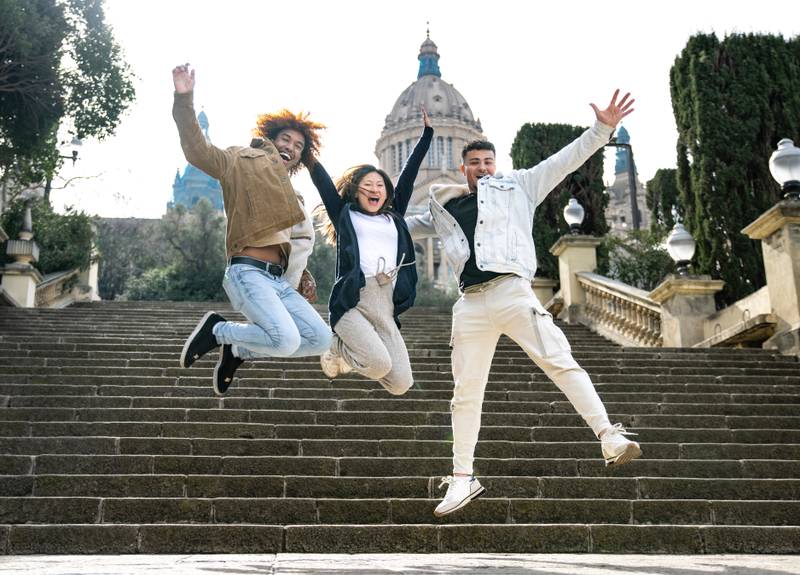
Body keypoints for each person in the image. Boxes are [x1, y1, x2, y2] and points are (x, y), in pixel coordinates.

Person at [406, 90, 642, 517]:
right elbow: (400, 226)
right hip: (470, 303)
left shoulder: (518, 186)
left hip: (512, 291)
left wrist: (602, 129)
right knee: (465, 393)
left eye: (487, 162)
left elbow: (564, 160)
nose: (481, 168)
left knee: (559, 359)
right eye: (474, 163)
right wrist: (353, 217)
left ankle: (608, 435)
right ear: (463, 168)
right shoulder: (445, 204)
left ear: (495, 166)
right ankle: (462, 479)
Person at [172, 64, 331, 395]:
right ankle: (220, 330)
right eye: (285, 139)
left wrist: (300, 275)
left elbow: (300, 242)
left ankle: (237, 350)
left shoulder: (294, 196)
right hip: (248, 271)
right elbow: (198, 151)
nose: (291, 146)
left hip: (279, 282)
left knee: (319, 339)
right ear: (271, 140)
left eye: (299, 145)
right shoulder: (241, 160)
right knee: (285, 339)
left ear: (301, 156)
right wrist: (184, 99)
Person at [310, 107, 433, 395]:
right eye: (368, 185)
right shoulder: (346, 216)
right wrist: (307, 153)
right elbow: (325, 185)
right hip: (354, 299)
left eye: (380, 185)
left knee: (401, 384)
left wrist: (426, 136)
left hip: (385, 303)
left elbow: (408, 176)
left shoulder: (395, 217)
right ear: (355, 191)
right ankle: (334, 345)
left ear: (387, 193)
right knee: (378, 364)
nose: (375, 189)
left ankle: (348, 355)